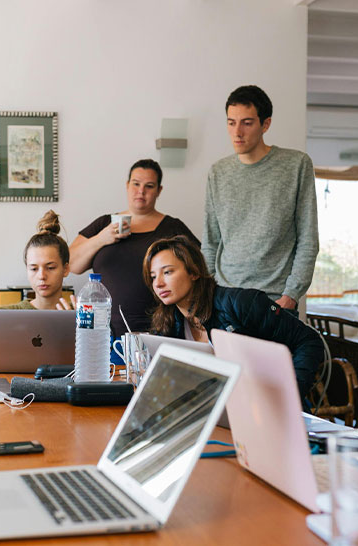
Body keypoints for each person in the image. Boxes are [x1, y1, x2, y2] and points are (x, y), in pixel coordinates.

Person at [143, 236, 324, 403]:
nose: (158, 283)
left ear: (194, 272)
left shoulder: (241, 303)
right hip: (217, 411)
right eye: (153, 277)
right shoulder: (167, 323)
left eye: (167, 272)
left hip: (265, 408)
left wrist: (290, 394)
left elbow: (309, 340)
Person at [202, 85, 318, 312]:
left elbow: (308, 238)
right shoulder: (218, 172)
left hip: (275, 301)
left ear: (265, 124)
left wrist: (291, 295)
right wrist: (208, 292)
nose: (237, 132)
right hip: (225, 297)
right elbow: (211, 242)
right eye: (231, 122)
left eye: (247, 123)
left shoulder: (296, 165)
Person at [70, 159, 199, 363]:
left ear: (159, 190)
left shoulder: (173, 227)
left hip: (160, 334)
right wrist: (101, 239)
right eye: (136, 184)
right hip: (104, 336)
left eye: (149, 186)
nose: (141, 191)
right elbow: (72, 265)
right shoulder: (104, 224)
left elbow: (198, 271)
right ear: (127, 185)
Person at [4, 210, 76, 310]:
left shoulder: (81, 316)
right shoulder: (6, 314)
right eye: (34, 269)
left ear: (65, 269)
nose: (42, 276)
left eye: (50, 268)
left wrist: (76, 325)